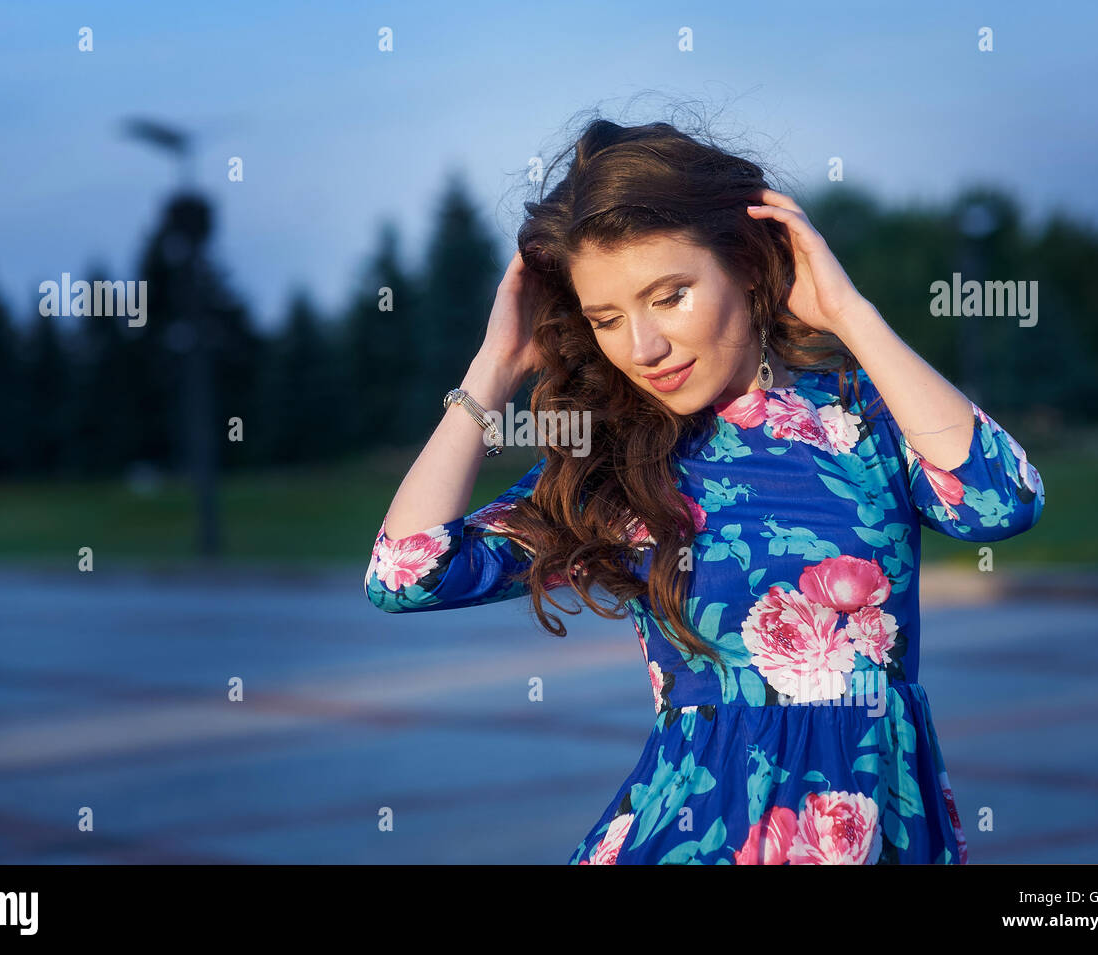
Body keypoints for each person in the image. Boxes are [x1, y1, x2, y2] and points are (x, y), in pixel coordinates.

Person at [363, 119, 1045, 864]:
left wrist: (851, 313)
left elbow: (1000, 500)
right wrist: (492, 368)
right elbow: (405, 573)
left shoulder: (864, 419)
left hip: (882, 827)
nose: (642, 347)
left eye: (670, 296)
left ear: (748, 266)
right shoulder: (617, 467)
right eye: (607, 319)